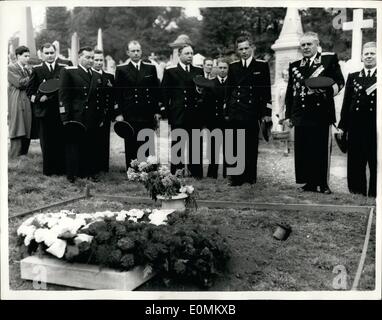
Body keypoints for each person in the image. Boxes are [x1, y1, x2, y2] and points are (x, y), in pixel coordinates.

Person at [284, 32, 344, 194]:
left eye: (309, 44)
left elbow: (340, 82)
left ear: (317, 44)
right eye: (302, 45)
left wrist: (325, 92)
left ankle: (323, 183)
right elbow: (291, 91)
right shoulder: (295, 65)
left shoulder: (328, 60)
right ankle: (309, 182)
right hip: (301, 113)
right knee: (304, 149)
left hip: (321, 113)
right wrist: (288, 115)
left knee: (320, 149)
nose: (305, 48)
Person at [225, 35, 272, 186]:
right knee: (234, 144)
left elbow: (266, 92)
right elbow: (229, 90)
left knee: (251, 145)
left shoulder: (261, 66)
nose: (244, 51)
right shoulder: (233, 66)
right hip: (236, 110)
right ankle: (235, 177)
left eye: (246, 48)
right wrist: (227, 110)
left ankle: (250, 176)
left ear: (252, 48)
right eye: (241, 49)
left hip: (253, 111)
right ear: (237, 51)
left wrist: (267, 113)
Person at [59, 47, 105, 182]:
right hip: (76, 116)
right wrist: (65, 117)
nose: (91, 60)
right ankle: (72, 174)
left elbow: (100, 99)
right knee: (73, 146)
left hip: (92, 116)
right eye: (87, 57)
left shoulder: (97, 75)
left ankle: (89, 172)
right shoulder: (69, 72)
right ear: (79, 58)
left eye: (92, 58)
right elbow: (64, 96)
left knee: (90, 145)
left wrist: (101, 116)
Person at [338, 42, 377, 197]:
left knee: (376, 162)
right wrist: (342, 126)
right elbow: (346, 103)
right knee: (355, 162)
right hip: (356, 127)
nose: (368, 56)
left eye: (372, 53)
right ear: (362, 57)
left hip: (376, 127)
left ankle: (375, 193)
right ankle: (357, 193)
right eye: (366, 54)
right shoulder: (353, 77)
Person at [114, 40, 161, 170]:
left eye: (138, 50)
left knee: (147, 140)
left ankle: (148, 169)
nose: (136, 53)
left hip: (147, 111)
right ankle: (133, 170)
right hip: (130, 112)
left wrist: (157, 111)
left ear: (141, 51)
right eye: (133, 51)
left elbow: (155, 91)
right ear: (128, 52)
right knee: (131, 141)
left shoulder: (150, 68)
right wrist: (118, 113)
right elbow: (118, 93)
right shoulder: (121, 69)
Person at [26, 43, 70, 175]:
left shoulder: (64, 67)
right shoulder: (37, 69)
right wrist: (39, 99)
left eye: (52, 53)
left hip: (60, 111)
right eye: (47, 53)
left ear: (55, 53)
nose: (50, 56)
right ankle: (49, 170)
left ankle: (62, 169)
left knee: (61, 140)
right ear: (42, 54)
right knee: (47, 141)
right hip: (44, 112)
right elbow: (30, 91)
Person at [161, 44, 204, 177]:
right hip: (178, 114)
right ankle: (177, 171)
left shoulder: (198, 71)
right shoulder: (170, 71)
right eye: (187, 53)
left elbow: (202, 93)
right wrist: (167, 114)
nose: (190, 56)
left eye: (191, 53)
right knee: (178, 144)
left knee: (195, 143)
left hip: (194, 114)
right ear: (179, 55)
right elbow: (164, 94)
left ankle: (195, 172)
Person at [203, 58, 230, 178]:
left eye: (225, 68)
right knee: (213, 148)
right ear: (216, 68)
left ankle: (228, 174)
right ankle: (212, 174)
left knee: (229, 148)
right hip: (214, 121)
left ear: (228, 69)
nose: (222, 70)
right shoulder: (210, 83)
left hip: (229, 121)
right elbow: (206, 105)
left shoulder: (232, 83)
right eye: (220, 67)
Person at [93, 49, 115, 173]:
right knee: (93, 140)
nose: (99, 62)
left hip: (105, 113)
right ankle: (94, 166)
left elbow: (112, 96)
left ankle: (103, 166)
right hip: (92, 113)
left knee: (104, 140)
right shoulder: (89, 76)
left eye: (101, 60)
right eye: (96, 60)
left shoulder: (109, 77)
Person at [8, 45, 32, 158]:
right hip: (17, 100)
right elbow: (19, 83)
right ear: (18, 56)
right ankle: (14, 155)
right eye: (25, 56)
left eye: (28, 56)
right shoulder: (11, 68)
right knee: (18, 125)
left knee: (27, 126)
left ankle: (23, 154)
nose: (28, 58)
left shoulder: (26, 69)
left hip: (26, 100)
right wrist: (33, 76)